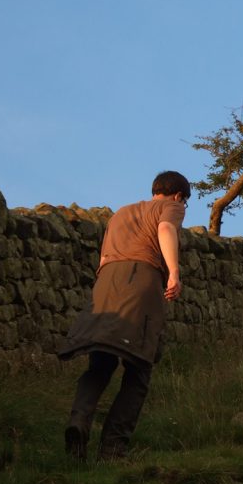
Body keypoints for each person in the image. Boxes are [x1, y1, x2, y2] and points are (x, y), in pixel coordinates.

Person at [59, 171, 190, 460]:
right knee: (140, 367)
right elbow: (166, 229)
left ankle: (78, 423)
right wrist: (174, 273)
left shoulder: (121, 213)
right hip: (140, 279)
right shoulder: (171, 206)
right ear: (179, 195)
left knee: (101, 362)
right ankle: (113, 448)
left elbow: (103, 258)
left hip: (106, 282)